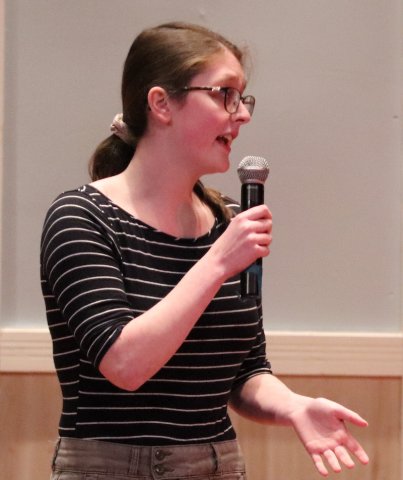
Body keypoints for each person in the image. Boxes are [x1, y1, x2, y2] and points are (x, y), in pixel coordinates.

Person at [41, 21, 369, 480]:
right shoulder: (82, 216)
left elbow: (247, 371)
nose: (242, 115)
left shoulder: (227, 220)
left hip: (217, 464)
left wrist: (294, 406)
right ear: (161, 104)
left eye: (243, 98)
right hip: (107, 467)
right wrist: (216, 262)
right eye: (225, 94)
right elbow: (125, 365)